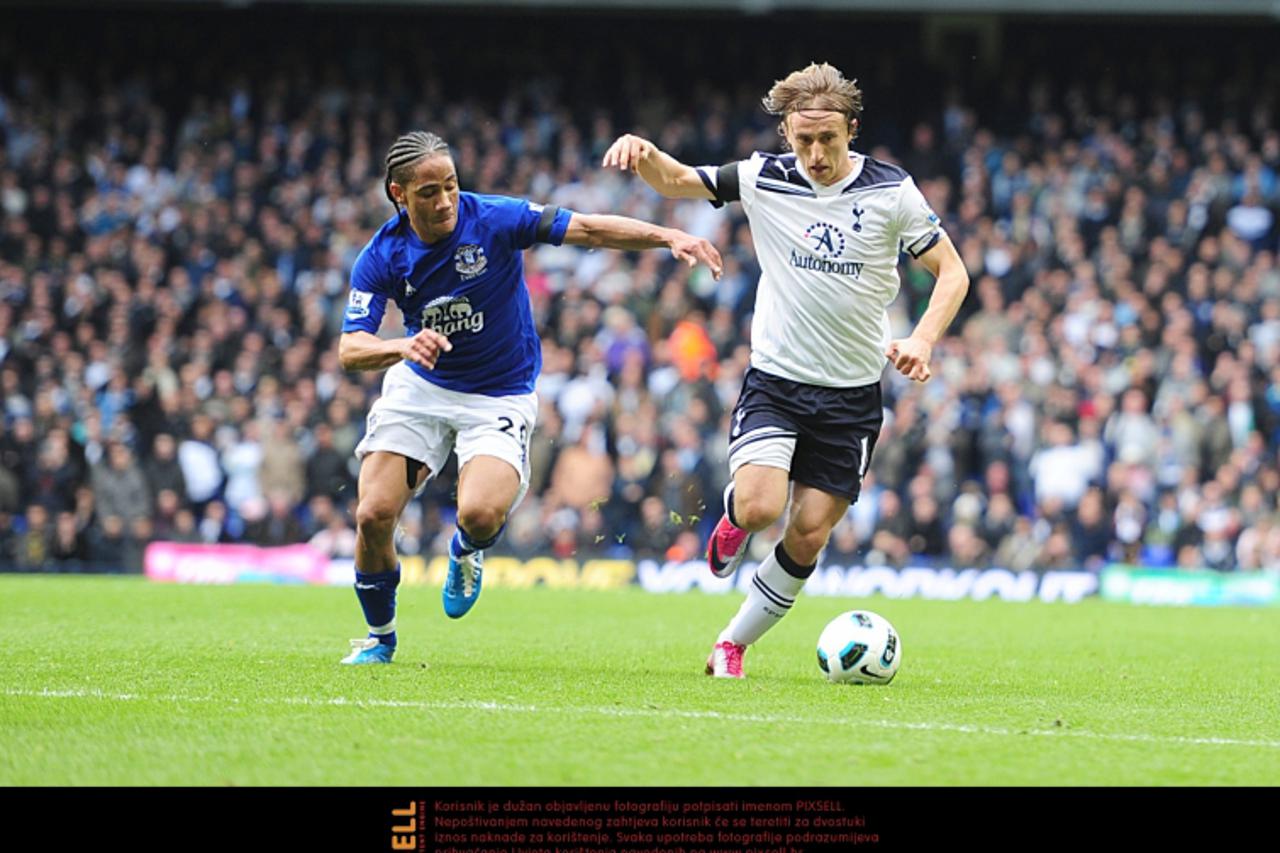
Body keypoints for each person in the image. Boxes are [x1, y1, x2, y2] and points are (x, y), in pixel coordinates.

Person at [603, 63, 969, 678]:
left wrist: (924, 339)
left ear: (852, 130)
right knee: (760, 507)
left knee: (807, 535)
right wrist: (644, 151)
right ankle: (734, 518)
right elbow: (673, 181)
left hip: (852, 395)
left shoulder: (891, 191)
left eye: (829, 139)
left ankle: (732, 643)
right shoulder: (763, 178)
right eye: (803, 141)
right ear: (787, 134)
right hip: (777, 381)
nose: (816, 153)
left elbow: (953, 272)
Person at [337, 131, 722, 664]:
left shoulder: (494, 218)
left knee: (478, 514)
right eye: (429, 192)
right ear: (398, 194)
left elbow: (585, 227)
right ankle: (381, 638)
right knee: (373, 515)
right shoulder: (382, 255)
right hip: (421, 384)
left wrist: (666, 236)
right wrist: (401, 344)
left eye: (450, 185)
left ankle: (466, 552)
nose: (445, 200)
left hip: (498, 391)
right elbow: (350, 349)